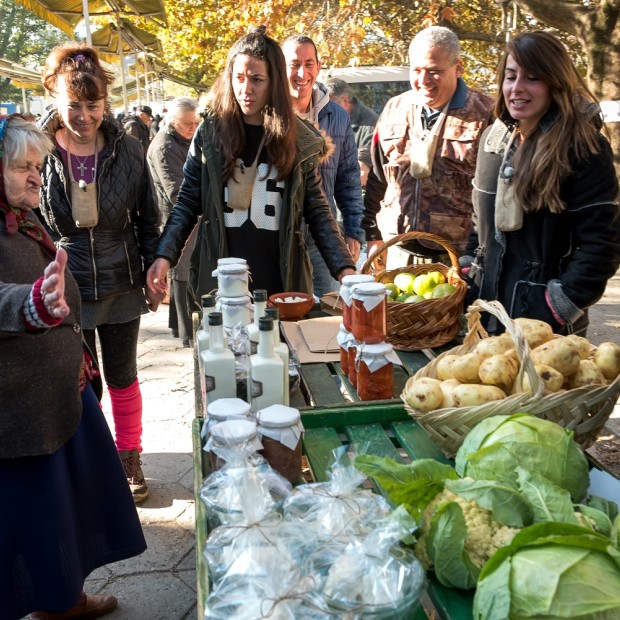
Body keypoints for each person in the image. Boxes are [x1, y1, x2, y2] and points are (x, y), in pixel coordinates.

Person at [0, 114, 146, 620]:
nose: (36, 177)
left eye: (39, 167)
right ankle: (53, 605)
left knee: (67, 511)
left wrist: (77, 354)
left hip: (58, 396)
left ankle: (67, 599)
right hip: (20, 414)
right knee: (38, 517)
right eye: (24, 168)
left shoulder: (23, 216)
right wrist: (31, 303)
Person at [146, 27, 355, 309]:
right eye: (239, 78)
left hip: (281, 287)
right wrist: (164, 256)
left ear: (274, 83)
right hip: (221, 286)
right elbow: (186, 203)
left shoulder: (299, 140)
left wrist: (345, 270)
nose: (246, 89)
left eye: (257, 79)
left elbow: (318, 213)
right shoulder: (209, 134)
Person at [38, 43, 163, 502]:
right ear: (54, 95)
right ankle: (88, 463)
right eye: (74, 105)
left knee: (122, 375)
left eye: (93, 106)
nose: (84, 116)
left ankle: (129, 457)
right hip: (64, 286)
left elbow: (148, 219)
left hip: (121, 281)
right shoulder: (37, 149)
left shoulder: (129, 150)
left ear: (105, 103)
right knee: (78, 381)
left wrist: (155, 269)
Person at [462, 30, 620, 336]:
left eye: (532, 78)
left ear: (554, 83)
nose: (517, 88)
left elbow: (602, 244)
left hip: (546, 328)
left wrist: (554, 306)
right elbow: (478, 222)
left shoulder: (583, 146)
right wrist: (470, 268)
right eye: (510, 76)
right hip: (485, 316)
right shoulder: (493, 141)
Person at [362, 26, 493, 269]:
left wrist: (476, 258)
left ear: (459, 67)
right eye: (417, 70)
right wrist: (372, 235)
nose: (423, 81)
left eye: (434, 71)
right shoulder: (394, 108)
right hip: (398, 252)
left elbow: (494, 197)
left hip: (458, 259)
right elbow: (379, 179)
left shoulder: (487, 114)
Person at [282, 35, 364, 296]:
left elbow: (348, 178)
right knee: (283, 309)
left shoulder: (337, 116)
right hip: (278, 235)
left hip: (323, 235)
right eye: (293, 64)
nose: (301, 73)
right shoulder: (269, 113)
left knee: (328, 307)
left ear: (318, 66)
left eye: (308, 64)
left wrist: (353, 230)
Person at [147, 97, 200, 347]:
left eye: (195, 124)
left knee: (187, 271)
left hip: (188, 213)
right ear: (172, 120)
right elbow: (175, 191)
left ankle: (182, 326)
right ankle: (186, 330)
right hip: (176, 215)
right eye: (186, 124)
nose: (191, 129)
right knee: (181, 273)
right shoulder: (165, 146)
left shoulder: (183, 140)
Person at [324, 76, 379, 188]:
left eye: (329, 105)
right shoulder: (327, 119)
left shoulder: (370, 124)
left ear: (345, 100)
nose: (325, 109)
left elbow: (361, 174)